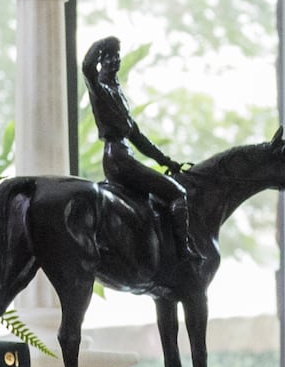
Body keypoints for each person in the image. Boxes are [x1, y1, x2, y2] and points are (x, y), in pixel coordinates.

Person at [78, 37, 197, 275]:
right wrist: (102, 44)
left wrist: (167, 161)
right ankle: (182, 251)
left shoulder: (118, 92)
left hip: (125, 153)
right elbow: (86, 68)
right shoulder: (100, 90)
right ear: (103, 61)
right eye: (111, 57)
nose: (116, 61)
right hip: (118, 158)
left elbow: (137, 136)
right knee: (177, 193)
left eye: (118, 56)